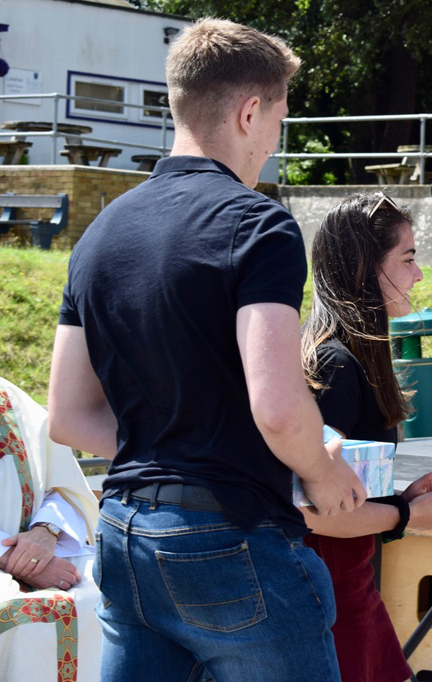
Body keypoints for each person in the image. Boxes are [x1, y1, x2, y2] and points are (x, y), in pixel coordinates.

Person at [47, 18, 365, 682]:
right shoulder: (258, 224)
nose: (274, 141)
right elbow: (278, 409)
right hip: (231, 540)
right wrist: (321, 471)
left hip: (125, 533)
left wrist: (176, 450)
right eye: (278, 120)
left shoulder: (99, 233)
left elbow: (68, 417)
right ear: (250, 112)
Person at [299, 193, 432, 682]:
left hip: (343, 584)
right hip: (327, 593)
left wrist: (401, 498)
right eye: (408, 258)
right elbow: (311, 510)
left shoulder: (342, 356)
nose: (418, 275)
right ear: (364, 269)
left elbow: (340, 488)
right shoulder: (333, 364)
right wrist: (406, 514)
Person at [0, 377, 103, 682]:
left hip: (45, 548)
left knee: (111, 588)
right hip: (18, 561)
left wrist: (46, 531)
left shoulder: (11, 399)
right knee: (22, 615)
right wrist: (12, 557)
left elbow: (60, 486)